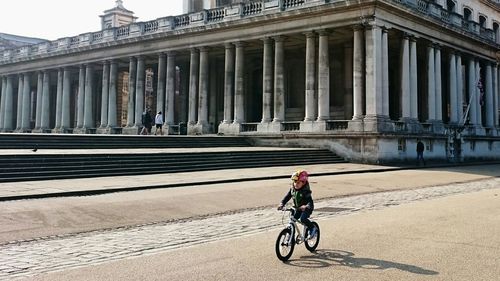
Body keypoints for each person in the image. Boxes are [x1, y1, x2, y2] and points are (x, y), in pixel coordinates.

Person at [278, 170, 316, 239]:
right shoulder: (292, 189)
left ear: (303, 183)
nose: (296, 184)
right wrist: (282, 203)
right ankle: (291, 235)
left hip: (307, 209)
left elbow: (310, 201)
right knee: (293, 220)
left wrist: (306, 206)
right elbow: (287, 196)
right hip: (298, 208)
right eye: (295, 182)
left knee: (303, 219)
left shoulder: (305, 191)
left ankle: (312, 228)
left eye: (298, 182)